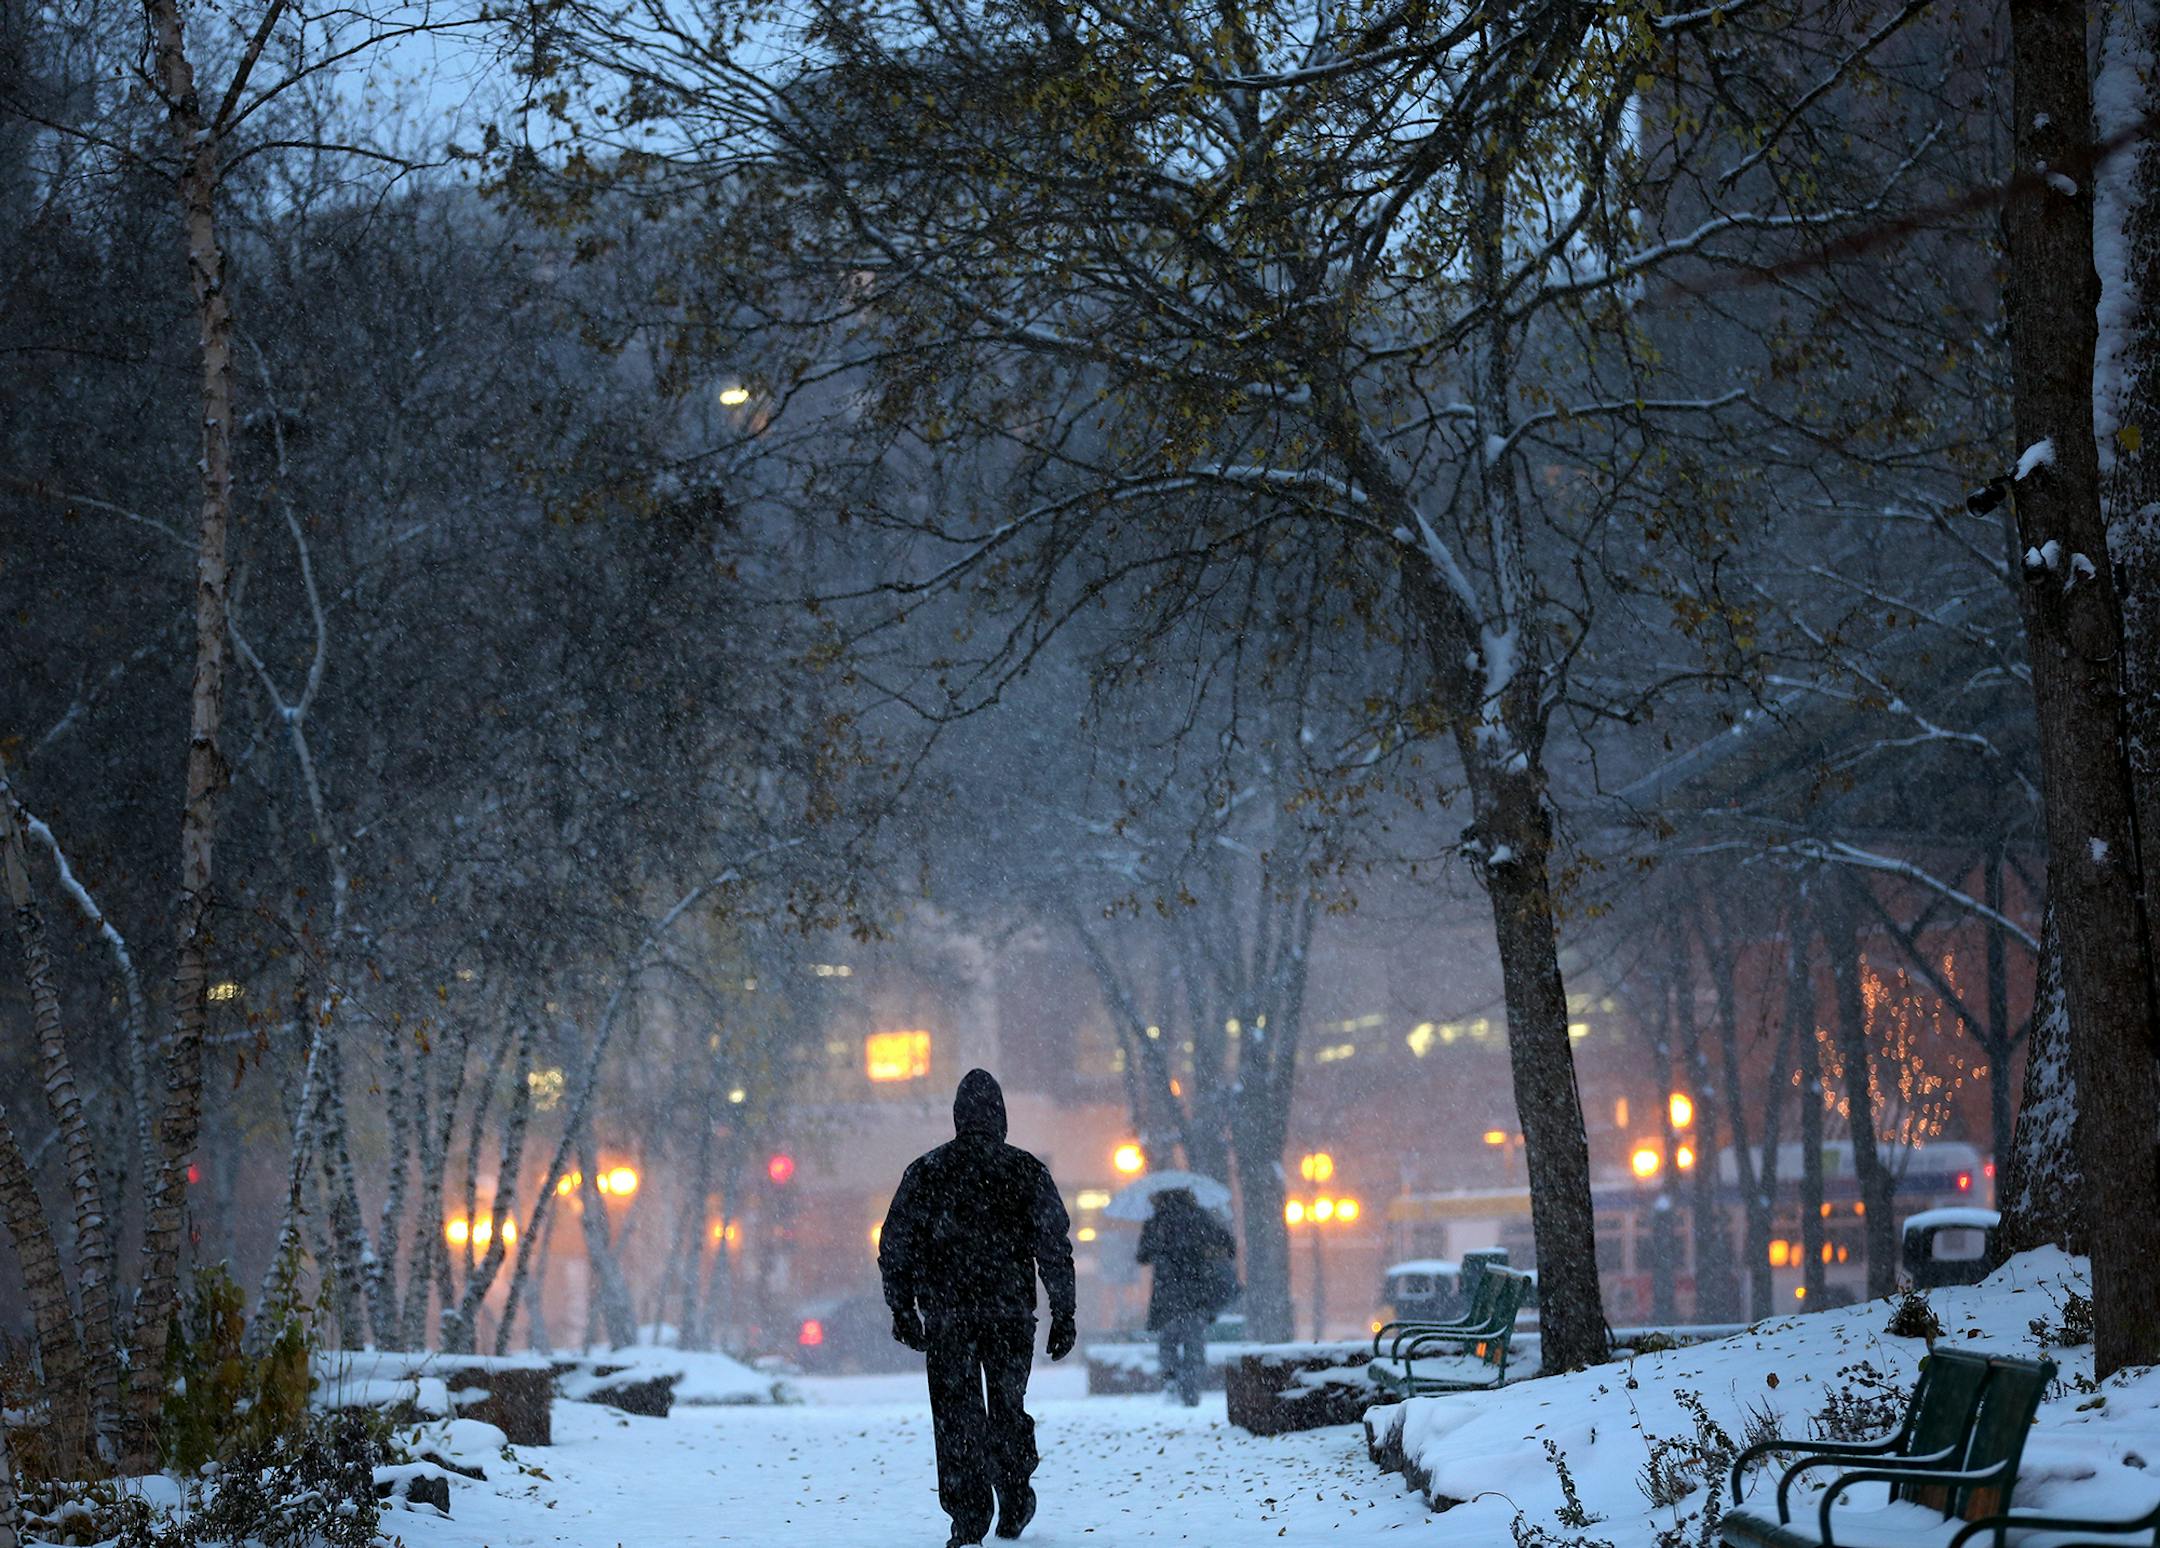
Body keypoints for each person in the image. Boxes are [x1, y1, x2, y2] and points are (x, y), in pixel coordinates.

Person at [879, 1069, 1076, 1548]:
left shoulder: (927, 1172)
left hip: (949, 1316)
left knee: (956, 1415)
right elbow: (1052, 1246)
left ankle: (968, 1516)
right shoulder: (1025, 1171)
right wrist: (1063, 1311)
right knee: (1008, 1406)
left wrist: (903, 1307)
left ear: (957, 1117)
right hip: (1010, 1315)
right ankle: (1014, 1493)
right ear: (1001, 1117)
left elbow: (896, 1245)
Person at [1135, 1186, 1236, 1406]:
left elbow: (1142, 1256)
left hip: (1166, 1295)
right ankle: (1191, 1391)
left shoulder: (1157, 1222)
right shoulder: (1201, 1218)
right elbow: (1229, 1246)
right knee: (1193, 1344)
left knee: (1168, 1342)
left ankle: (1171, 1381)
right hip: (1197, 1293)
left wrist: (1162, 1248)